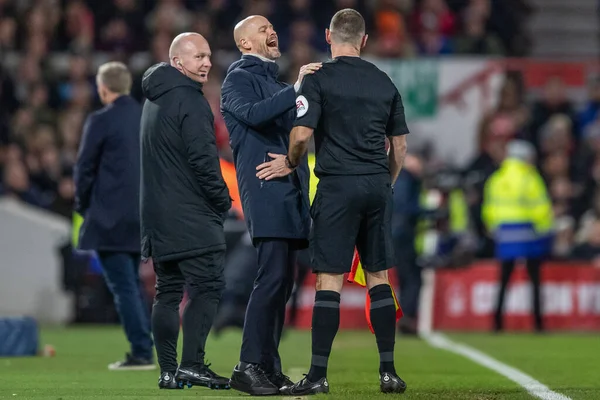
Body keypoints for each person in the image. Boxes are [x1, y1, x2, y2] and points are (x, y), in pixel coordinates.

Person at [256, 8, 409, 395]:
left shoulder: (318, 79)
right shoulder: (384, 81)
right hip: (376, 184)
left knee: (330, 280)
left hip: (338, 188)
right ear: (365, 40)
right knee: (379, 276)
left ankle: (318, 375)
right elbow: (401, 146)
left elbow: (302, 134)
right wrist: (386, 182)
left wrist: (290, 163)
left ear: (328, 36)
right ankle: (388, 373)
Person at [220, 15, 321, 396]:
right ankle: (247, 366)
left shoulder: (274, 83)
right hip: (265, 190)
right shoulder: (238, 78)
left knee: (282, 283)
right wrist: (296, 87)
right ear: (245, 43)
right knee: (271, 280)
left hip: (290, 192)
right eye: (261, 29)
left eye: (270, 27)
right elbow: (251, 114)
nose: (271, 31)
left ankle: (269, 367)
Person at [140, 32, 232, 390]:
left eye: (208, 55)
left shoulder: (153, 100)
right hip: (190, 214)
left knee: (167, 291)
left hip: (158, 217)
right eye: (198, 57)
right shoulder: (192, 101)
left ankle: (167, 370)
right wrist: (222, 200)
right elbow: (204, 161)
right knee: (208, 286)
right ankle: (192, 364)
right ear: (178, 62)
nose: (207, 62)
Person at [73, 61, 154, 371]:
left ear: (103, 87)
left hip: (110, 217)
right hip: (143, 215)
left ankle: (142, 351)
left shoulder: (101, 120)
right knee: (132, 283)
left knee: (123, 286)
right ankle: (149, 346)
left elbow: (84, 168)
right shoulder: (145, 116)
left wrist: (83, 206)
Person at [481, 140, 553, 333]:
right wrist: (545, 230)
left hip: (505, 234)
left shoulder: (497, 178)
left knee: (504, 279)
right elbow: (541, 207)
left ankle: (497, 322)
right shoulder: (530, 178)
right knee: (534, 279)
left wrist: (494, 228)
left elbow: (488, 207)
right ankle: (538, 323)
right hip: (529, 233)